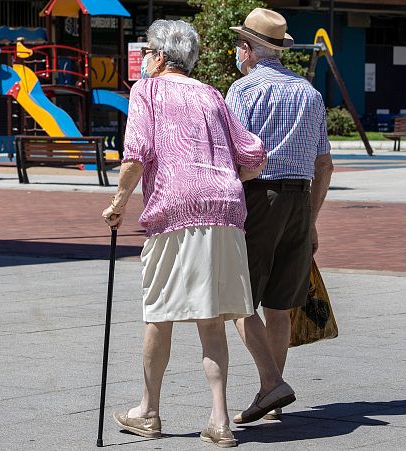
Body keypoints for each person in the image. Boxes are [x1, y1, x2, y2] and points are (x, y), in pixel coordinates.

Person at [102, 19, 267, 448]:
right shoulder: (210, 93)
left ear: (159, 56)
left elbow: (137, 153)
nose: (144, 58)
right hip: (225, 208)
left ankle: (148, 411)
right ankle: (219, 420)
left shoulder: (147, 90)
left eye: (146, 51)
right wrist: (221, 180)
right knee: (211, 320)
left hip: (176, 208)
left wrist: (118, 202)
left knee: (160, 314)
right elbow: (253, 155)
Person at [226, 8, 334, 424]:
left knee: (236, 296)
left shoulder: (243, 91)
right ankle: (271, 397)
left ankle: (271, 383)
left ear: (249, 49)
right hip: (300, 201)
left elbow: (232, 156)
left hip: (258, 197)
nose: (237, 51)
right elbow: (325, 165)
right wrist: (312, 219)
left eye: (239, 45)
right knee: (279, 304)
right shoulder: (309, 93)